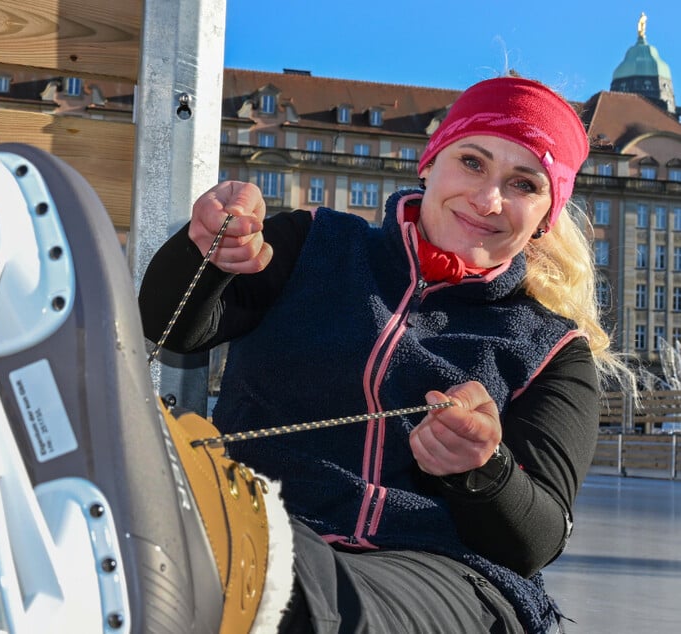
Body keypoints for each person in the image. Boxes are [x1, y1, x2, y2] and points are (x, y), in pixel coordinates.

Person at [139, 76, 633, 634]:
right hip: (261, 523)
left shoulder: (554, 349)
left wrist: (481, 470)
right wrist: (204, 252)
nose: (488, 199)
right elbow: (173, 327)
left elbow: (536, 539)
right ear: (430, 160)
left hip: (442, 574)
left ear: (546, 215)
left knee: (297, 594)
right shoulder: (313, 243)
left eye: (523, 183)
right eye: (472, 162)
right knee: (244, 567)